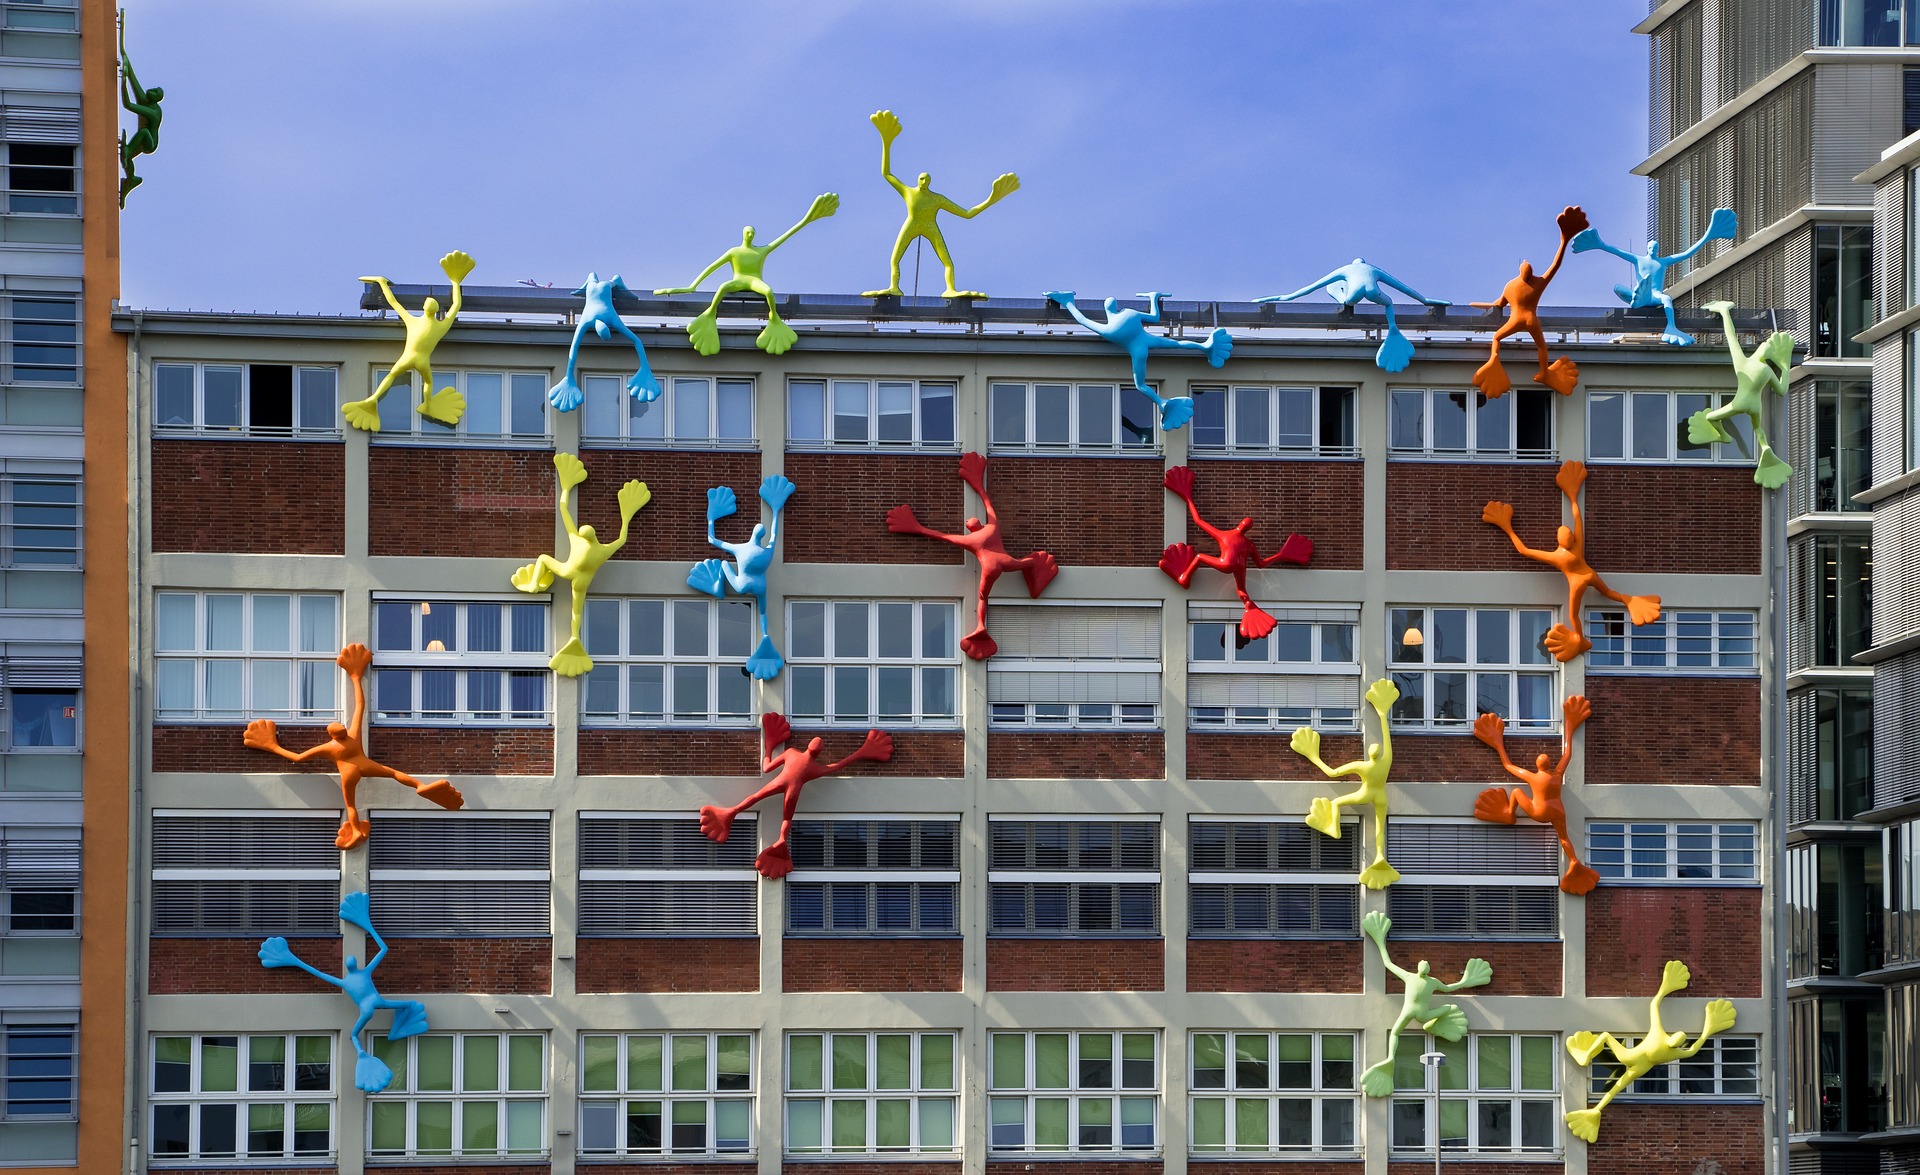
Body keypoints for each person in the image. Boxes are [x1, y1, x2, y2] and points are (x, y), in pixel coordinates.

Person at [243, 643, 463, 849]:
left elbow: (298, 758)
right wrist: (355, 676)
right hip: (363, 764)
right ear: (342, 732)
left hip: (349, 771)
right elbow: (360, 705)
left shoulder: (330, 747)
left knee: (351, 805)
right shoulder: (353, 735)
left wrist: (272, 746)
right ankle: (418, 785)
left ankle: (356, 829)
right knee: (395, 773)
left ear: (331, 735)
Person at [1481, 459, 1661, 662]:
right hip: (1585, 577)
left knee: (1579, 611)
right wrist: (1572, 496)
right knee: (1604, 596)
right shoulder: (1571, 549)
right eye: (1566, 535)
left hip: (1580, 580)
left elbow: (1525, 548)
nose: (1568, 536)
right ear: (1562, 539)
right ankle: (1624, 604)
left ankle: (1594, 628)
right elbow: (1575, 521)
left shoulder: (1562, 553)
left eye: (1567, 535)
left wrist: (1507, 527)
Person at [887, 452, 1058, 659]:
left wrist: (915, 527)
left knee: (982, 597)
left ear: (971, 529)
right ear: (979, 524)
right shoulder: (992, 527)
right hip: (1006, 561)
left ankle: (980, 626)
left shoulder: (972, 540)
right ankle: (1036, 573)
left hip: (991, 567)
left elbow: (943, 536)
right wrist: (978, 483)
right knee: (1024, 562)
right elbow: (988, 505)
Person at [258, 892, 429, 1093]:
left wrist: (293, 960)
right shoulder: (360, 974)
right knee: (405, 1005)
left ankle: (367, 1049)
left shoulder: (346, 980)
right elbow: (383, 949)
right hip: (376, 1002)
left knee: (354, 1033)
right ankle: (379, 1044)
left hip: (368, 1008)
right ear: (353, 964)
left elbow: (318, 972)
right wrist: (368, 927)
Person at [700, 713, 893, 878]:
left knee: (756, 797)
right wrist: (862, 752)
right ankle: (781, 840)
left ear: (808, 746)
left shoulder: (791, 753)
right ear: (818, 753)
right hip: (793, 793)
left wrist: (770, 746)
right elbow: (839, 765)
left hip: (780, 783)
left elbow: (767, 767)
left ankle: (731, 813)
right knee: (786, 817)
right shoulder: (815, 768)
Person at [510, 453, 649, 676]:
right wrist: (627, 514)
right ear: (593, 536)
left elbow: (563, 508)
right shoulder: (600, 550)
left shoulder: (578, 540)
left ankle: (535, 585)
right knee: (576, 610)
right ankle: (574, 636)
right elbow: (622, 539)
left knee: (544, 558)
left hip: (568, 572)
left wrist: (566, 486)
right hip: (581, 581)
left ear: (585, 535)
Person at [1565, 960, 1737, 1141]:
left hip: (1637, 1065)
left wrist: (1709, 1028)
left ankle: (1595, 1110)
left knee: (1615, 1082)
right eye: (1677, 1039)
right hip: (1634, 1059)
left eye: (1677, 1041)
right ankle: (1586, 1057)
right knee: (1609, 1047)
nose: (1675, 1041)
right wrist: (1667, 986)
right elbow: (1656, 1006)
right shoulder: (1663, 1038)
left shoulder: (1670, 1047)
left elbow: (1691, 1047)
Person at [861, 110, 1018, 299]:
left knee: (948, 262)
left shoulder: (937, 199)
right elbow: (887, 173)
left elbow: (967, 214)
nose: (923, 182)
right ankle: (894, 287)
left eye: (926, 179)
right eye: (921, 179)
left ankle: (950, 289)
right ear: (917, 180)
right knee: (894, 259)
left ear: (930, 182)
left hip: (930, 227)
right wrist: (886, 142)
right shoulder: (908, 192)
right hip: (912, 224)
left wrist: (991, 200)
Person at [656, 194, 838, 356]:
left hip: (753, 280)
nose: (750, 234)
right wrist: (692, 286)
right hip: (738, 280)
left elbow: (784, 236)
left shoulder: (761, 251)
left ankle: (774, 318)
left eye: (752, 232)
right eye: (747, 232)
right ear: (743, 234)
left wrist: (806, 220)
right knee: (722, 287)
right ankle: (710, 313)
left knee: (768, 291)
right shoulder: (734, 252)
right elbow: (712, 267)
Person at [1158, 464, 1312, 640]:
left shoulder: (1227, 536)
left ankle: (1184, 577)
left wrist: (1188, 498)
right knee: (1241, 589)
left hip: (1227, 564)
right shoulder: (1248, 544)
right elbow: (1261, 564)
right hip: (1240, 567)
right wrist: (1283, 554)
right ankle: (1248, 604)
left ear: (1240, 525)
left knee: (1199, 556)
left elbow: (1198, 521)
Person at [1044, 291, 1229, 431]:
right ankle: (1206, 346)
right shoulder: (1130, 313)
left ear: (1106, 310)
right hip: (1147, 340)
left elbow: (1082, 319)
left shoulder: (1108, 329)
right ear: (1117, 306)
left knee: (1140, 384)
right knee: (1178, 343)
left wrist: (1069, 302)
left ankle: (1162, 402)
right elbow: (1155, 317)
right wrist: (1153, 298)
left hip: (1137, 350)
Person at [1357, 910, 1493, 1096]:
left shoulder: (1410, 977)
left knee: (1395, 1032)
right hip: (1423, 1014)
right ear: (1426, 970)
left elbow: (1388, 963)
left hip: (1408, 1012)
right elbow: (1449, 988)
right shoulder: (1431, 981)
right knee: (1444, 1009)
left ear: (1421, 969)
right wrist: (1466, 982)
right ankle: (1430, 1026)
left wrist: (1380, 941)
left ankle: (1392, 1056)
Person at [1473, 695, 1600, 894]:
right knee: (1564, 837)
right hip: (1557, 811)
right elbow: (1568, 754)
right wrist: (1570, 725)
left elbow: (1508, 765)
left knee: (1515, 790)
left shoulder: (1533, 777)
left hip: (1539, 813)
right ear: (1549, 764)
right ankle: (1574, 861)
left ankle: (1509, 813)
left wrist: (1498, 743)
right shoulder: (1557, 775)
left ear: (1537, 765)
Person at [1290, 678, 1402, 890]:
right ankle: (1379, 856)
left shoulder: (1363, 765)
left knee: (1338, 803)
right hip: (1380, 796)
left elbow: (1332, 773)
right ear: (1378, 754)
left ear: (1370, 754)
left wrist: (1313, 755)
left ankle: (1334, 825)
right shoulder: (1386, 762)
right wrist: (1382, 714)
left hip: (1365, 794)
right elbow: (1387, 740)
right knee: (1380, 826)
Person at [345, 251, 475, 432]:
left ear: (424, 308)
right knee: (428, 382)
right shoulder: (440, 326)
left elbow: (393, 302)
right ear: (436, 310)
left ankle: (373, 399)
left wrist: (382, 283)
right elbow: (455, 306)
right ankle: (427, 404)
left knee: (391, 376)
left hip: (407, 357)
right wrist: (455, 282)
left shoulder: (412, 320)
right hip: (423, 361)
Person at [1571, 208, 1737, 345]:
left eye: (1655, 248)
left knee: (1666, 299)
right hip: (1644, 295)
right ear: (1647, 248)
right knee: (1617, 288)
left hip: (1655, 296)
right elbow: (1616, 251)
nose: (1653, 250)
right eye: (1651, 247)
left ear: (1657, 249)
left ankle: (1670, 327)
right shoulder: (1638, 259)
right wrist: (1599, 244)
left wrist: (1707, 236)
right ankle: (1637, 297)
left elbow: (1687, 253)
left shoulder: (1663, 262)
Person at [1469, 206, 1588, 397]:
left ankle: (1494, 359)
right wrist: (1563, 242)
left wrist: (1479, 305)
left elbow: (1498, 305)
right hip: (1532, 320)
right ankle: (1544, 372)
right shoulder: (1537, 283)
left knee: (1496, 338)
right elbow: (1555, 265)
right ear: (1529, 273)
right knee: (1541, 346)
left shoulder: (1511, 285)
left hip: (1516, 320)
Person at [688, 475, 795, 680]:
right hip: (760, 587)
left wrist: (712, 518)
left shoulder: (741, 549)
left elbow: (712, 540)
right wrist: (775, 510)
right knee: (763, 612)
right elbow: (775, 534)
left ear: (752, 533)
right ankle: (765, 635)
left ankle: (718, 586)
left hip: (741, 584)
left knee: (725, 564)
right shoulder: (767, 551)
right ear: (761, 536)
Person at [1258, 259, 1448, 372]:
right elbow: (1403, 287)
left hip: (1354, 293)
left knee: (1345, 298)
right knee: (1389, 302)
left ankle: (1342, 298)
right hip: (1373, 291)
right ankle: (1392, 327)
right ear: (1364, 263)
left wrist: (1282, 297)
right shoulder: (1373, 269)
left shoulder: (1345, 269)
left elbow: (1308, 288)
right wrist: (1425, 300)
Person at [1687, 300, 1793, 487]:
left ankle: (1723, 436)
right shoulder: (1767, 370)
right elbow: (1782, 390)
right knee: (1758, 429)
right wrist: (1785, 367)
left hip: (1740, 403)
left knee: (1711, 417)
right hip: (1755, 406)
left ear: (1759, 350)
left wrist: (1724, 312)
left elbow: (1731, 336)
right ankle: (1765, 448)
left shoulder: (1743, 363)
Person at [548, 273, 660, 411]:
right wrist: (645, 366)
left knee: (595, 279)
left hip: (599, 289)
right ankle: (615, 281)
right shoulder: (608, 319)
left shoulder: (591, 320)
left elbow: (574, 349)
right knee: (599, 281)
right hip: (600, 289)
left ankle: (614, 281)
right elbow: (636, 341)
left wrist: (568, 374)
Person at [118, 18, 163, 206]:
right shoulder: (146, 101)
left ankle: (128, 152)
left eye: (153, 91)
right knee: (126, 158)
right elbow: (135, 81)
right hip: (143, 138)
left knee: (141, 133)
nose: (148, 90)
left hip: (150, 143)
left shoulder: (153, 112)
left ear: (154, 98)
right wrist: (124, 55)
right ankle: (131, 179)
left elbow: (128, 104)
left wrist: (122, 83)